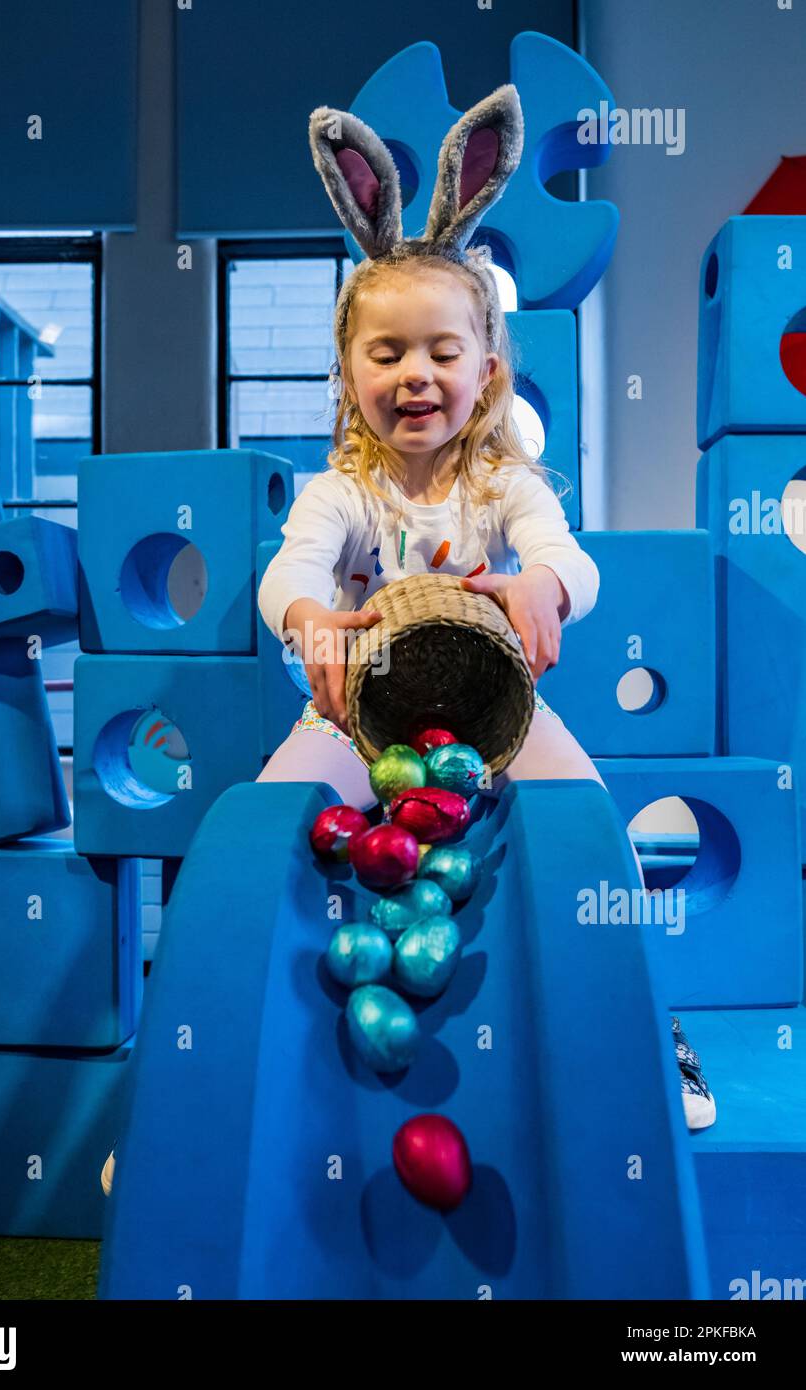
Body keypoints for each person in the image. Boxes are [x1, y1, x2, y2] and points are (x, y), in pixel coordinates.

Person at [100, 82, 713, 1200]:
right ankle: (189, 1079)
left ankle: (650, 1036)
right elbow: (291, 567)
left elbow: (571, 559)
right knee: (257, 837)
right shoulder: (348, 490)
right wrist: (308, 616)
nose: (414, 375)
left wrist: (539, 586)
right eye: (385, 355)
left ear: (486, 370)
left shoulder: (503, 482)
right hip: (351, 712)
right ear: (351, 377)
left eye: (440, 350)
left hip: (497, 717)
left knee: (594, 838)